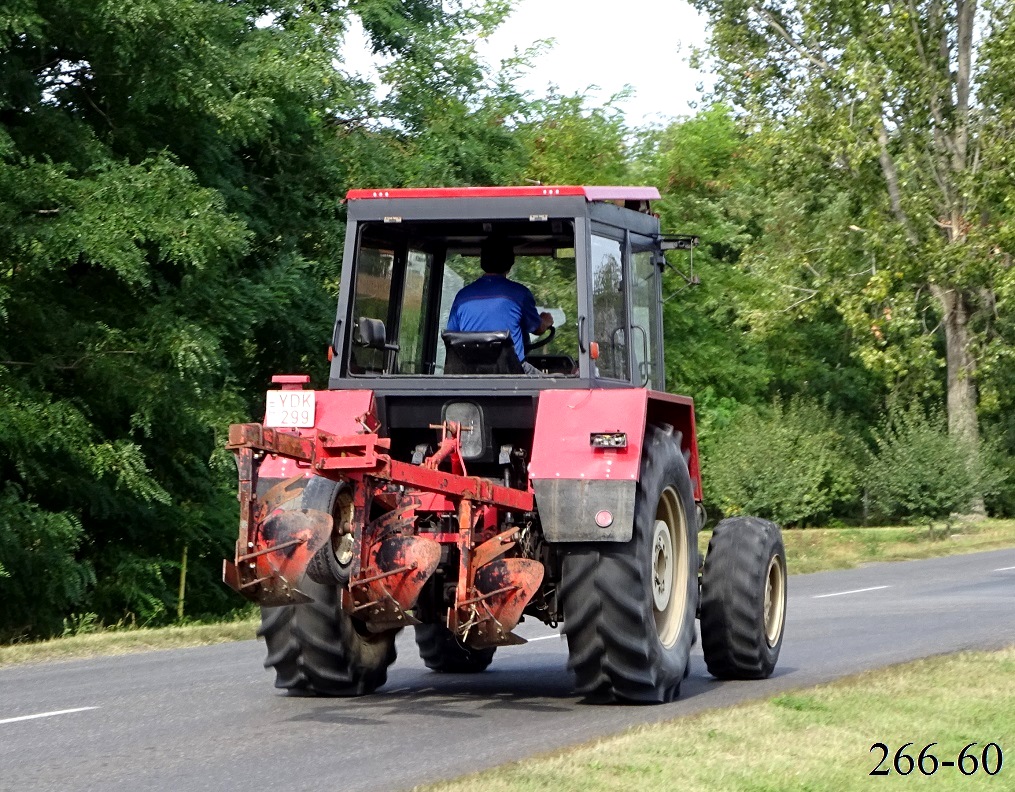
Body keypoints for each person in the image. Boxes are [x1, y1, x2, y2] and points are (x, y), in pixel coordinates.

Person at [446, 239, 553, 369]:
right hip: (512, 376)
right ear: (510, 263)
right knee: (554, 382)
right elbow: (537, 329)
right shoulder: (520, 294)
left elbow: (452, 337)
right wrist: (546, 321)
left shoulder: (462, 297)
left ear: (482, 261)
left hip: (471, 374)